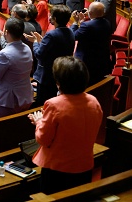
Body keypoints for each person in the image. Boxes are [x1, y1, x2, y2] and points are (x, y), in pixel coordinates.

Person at [28, 57, 103, 195]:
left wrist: (39, 121)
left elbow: (43, 139)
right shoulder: (94, 101)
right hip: (84, 166)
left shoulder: (54, 104)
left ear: (59, 83)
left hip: (58, 170)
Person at [25, 5, 75, 106]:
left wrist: (35, 42)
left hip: (47, 75)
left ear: (55, 18)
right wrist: (41, 41)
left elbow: (39, 54)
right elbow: (57, 47)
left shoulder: (51, 35)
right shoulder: (70, 31)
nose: (49, 17)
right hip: (62, 72)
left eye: (51, 15)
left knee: (43, 103)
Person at [71, 2, 112, 86]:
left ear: (90, 13)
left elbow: (74, 36)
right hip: (101, 60)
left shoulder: (87, 25)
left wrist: (76, 22)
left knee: (86, 84)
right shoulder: (107, 23)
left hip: (87, 61)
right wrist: (83, 21)